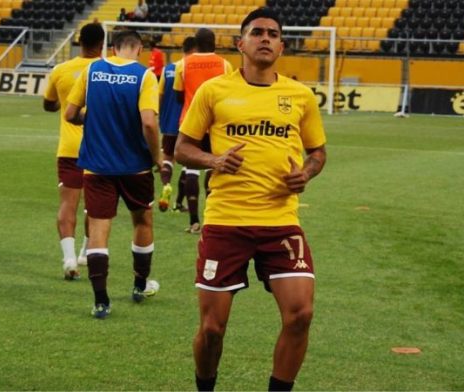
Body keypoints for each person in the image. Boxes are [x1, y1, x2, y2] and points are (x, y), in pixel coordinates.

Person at [174, 7, 327, 391]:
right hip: (226, 221)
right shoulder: (214, 91)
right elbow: (182, 147)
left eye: (273, 34)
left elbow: (318, 152)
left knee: (301, 315)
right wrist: (214, 159)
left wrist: (305, 173)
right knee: (212, 329)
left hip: (281, 221)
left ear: (282, 46)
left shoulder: (301, 96)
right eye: (257, 32)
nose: (265, 39)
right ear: (240, 43)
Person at [64, 29, 162, 319]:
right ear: (139, 48)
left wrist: (90, 119)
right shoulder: (145, 76)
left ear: (114, 47)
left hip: (97, 166)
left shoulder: (92, 70)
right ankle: (139, 285)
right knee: (142, 220)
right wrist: (157, 157)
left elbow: (70, 114)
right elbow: (148, 123)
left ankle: (101, 301)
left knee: (98, 230)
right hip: (135, 166)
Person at [43, 23, 104, 280]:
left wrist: (65, 98)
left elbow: (48, 105)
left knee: (68, 205)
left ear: (78, 43)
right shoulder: (107, 71)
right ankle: (85, 251)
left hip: (68, 149)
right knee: (96, 206)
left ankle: (69, 259)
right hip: (98, 147)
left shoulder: (60, 70)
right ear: (102, 45)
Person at [173, 28, 233, 233]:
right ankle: (211, 220)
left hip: (191, 123)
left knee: (191, 169)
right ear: (214, 43)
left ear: (196, 44)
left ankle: (194, 222)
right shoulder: (225, 65)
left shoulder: (183, 64)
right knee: (212, 167)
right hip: (215, 125)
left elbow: (178, 96)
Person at [156, 36, 196, 212]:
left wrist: (160, 116)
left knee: (168, 158)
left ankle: (166, 186)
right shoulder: (193, 69)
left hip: (169, 122)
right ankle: (182, 203)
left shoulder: (168, 69)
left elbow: (161, 95)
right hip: (188, 123)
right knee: (189, 164)